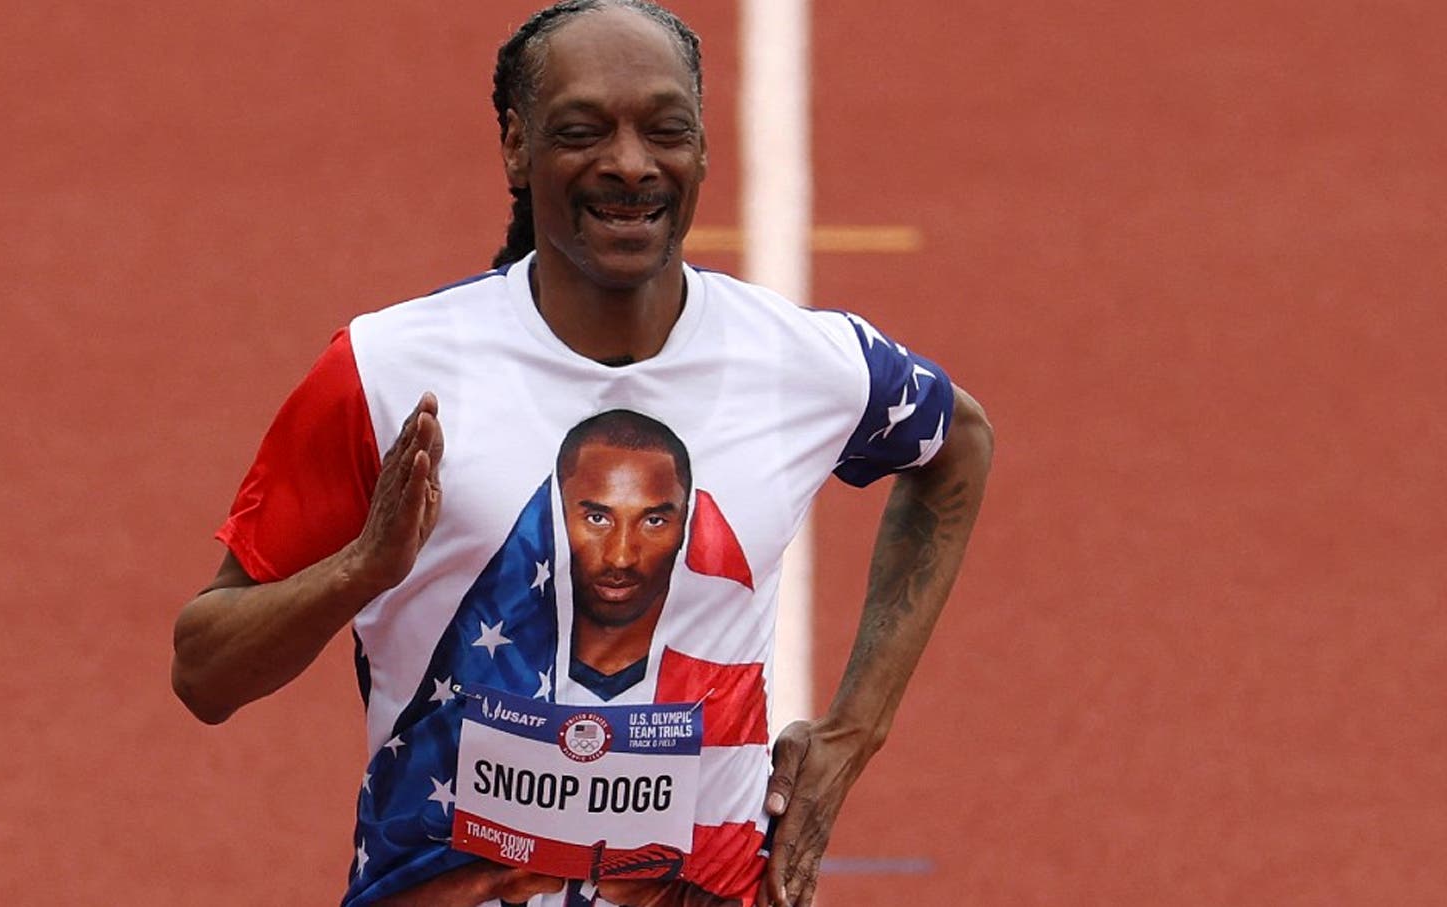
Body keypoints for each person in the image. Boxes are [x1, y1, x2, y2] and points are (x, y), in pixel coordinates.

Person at [169, 2, 994, 906]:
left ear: (703, 148)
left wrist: (851, 735)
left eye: (666, 129)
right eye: (582, 131)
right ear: (516, 146)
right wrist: (361, 569)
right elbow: (204, 672)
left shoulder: (800, 361)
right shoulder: (386, 372)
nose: (631, 164)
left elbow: (957, 445)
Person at [557, 410, 691, 699]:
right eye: (597, 519)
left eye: (653, 521)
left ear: (684, 522)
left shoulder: (715, 666)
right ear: (556, 513)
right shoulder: (496, 659)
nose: (620, 558)